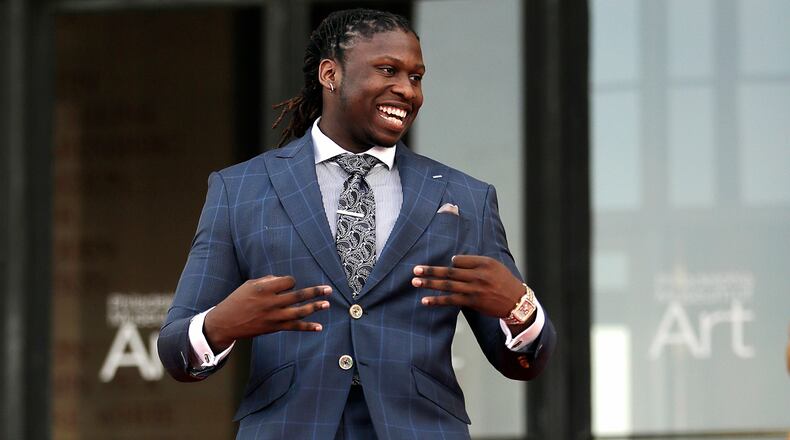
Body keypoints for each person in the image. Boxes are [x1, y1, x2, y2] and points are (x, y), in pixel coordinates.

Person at [158, 8, 555, 440]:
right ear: (331, 74)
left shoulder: (466, 198)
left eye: (416, 77)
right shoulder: (240, 189)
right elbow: (175, 350)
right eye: (388, 70)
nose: (407, 90)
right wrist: (220, 324)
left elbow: (523, 364)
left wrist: (520, 307)